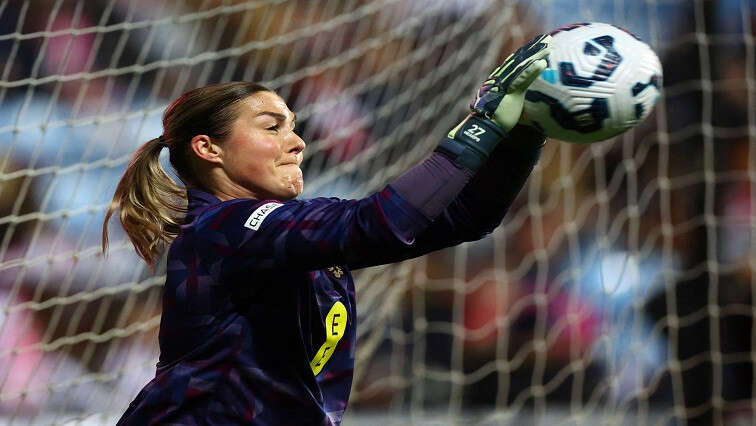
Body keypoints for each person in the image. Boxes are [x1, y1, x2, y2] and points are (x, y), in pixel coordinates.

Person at [102, 34, 551, 425]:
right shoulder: (226, 228)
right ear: (208, 148)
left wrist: (526, 134)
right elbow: (383, 223)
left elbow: (465, 218)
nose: (297, 142)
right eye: (271, 127)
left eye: (294, 127)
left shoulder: (286, 235)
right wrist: (482, 126)